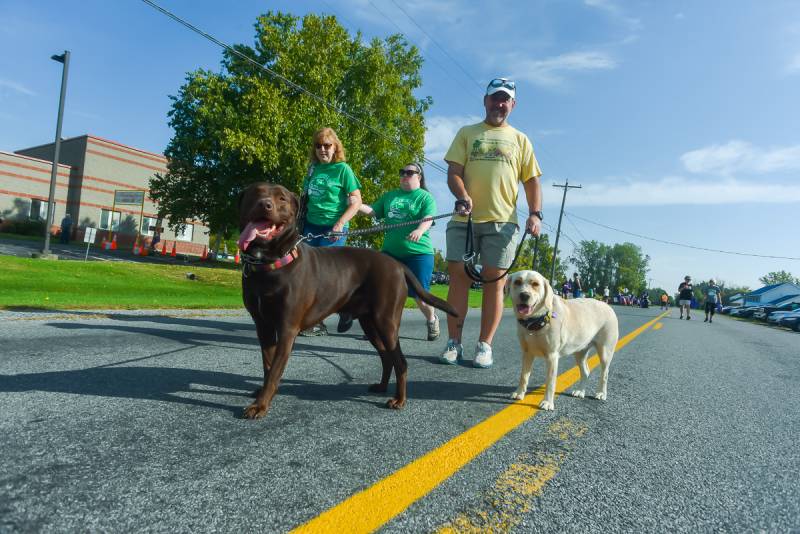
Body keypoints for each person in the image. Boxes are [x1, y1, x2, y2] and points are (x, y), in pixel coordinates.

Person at [439, 77, 542, 368]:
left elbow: (532, 181)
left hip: (503, 222)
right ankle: (453, 343)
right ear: (485, 101)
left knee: (494, 284)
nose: (499, 103)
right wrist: (462, 194)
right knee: (458, 276)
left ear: (513, 104)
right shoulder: (467, 132)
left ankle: (484, 345)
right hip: (465, 218)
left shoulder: (521, 140)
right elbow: (454, 172)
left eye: (505, 99)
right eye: (494, 98)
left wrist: (535, 213)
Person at [358, 162, 440, 340]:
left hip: (419, 254)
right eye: (402, 172)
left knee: (420, 296)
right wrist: (356, 204)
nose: (404, 175)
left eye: (409, 172)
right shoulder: (390, 196)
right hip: (391, 254)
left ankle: (432, 319)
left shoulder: (425, 197)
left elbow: (428, 217)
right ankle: (380, 328)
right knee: (383, 292)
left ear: (419, 176)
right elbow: (373, 211)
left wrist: (419, 230)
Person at [298, 127, 362, 336]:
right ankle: (336, 311)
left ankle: (325, 318)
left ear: (335, 148)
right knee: (306, 273)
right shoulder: (312, 169)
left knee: (326, 276)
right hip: (310, 226)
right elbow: (304, 199)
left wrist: (340, 223)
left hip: (333, 228)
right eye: (318, 146)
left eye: (327, 146)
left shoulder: (343, 169)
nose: (322, 150)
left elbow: (356, 201)